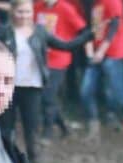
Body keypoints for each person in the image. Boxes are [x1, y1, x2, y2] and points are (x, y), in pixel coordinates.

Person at [0, 0, 96, 163]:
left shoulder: (40, 32)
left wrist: (88, 36)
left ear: (32, 12)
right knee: (6, 130)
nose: (24, 16)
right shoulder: (4, 31)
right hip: (7, 87)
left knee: (31, 131)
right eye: (20, 12)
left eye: (27, 12)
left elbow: (65, 45)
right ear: (12, 12)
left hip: (32, 88)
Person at [80, 0, 123, 145]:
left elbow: (114, 26)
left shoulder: (113, 2)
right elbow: (92, 29)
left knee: (120, 94)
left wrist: (102, 50)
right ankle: (94, 131)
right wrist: (91, 50)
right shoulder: (94, 5)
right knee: (86, 91)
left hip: (114, 54)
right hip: (97, 54)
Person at [34, 0, 87, 139]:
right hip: (41, 59)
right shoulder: (38, 7)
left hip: (59, 59)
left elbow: (83, 30)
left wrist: (71, 45)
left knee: (48, 96)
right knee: (44, 96)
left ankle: (48, 131)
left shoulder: (65, 8)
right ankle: (64, 128)